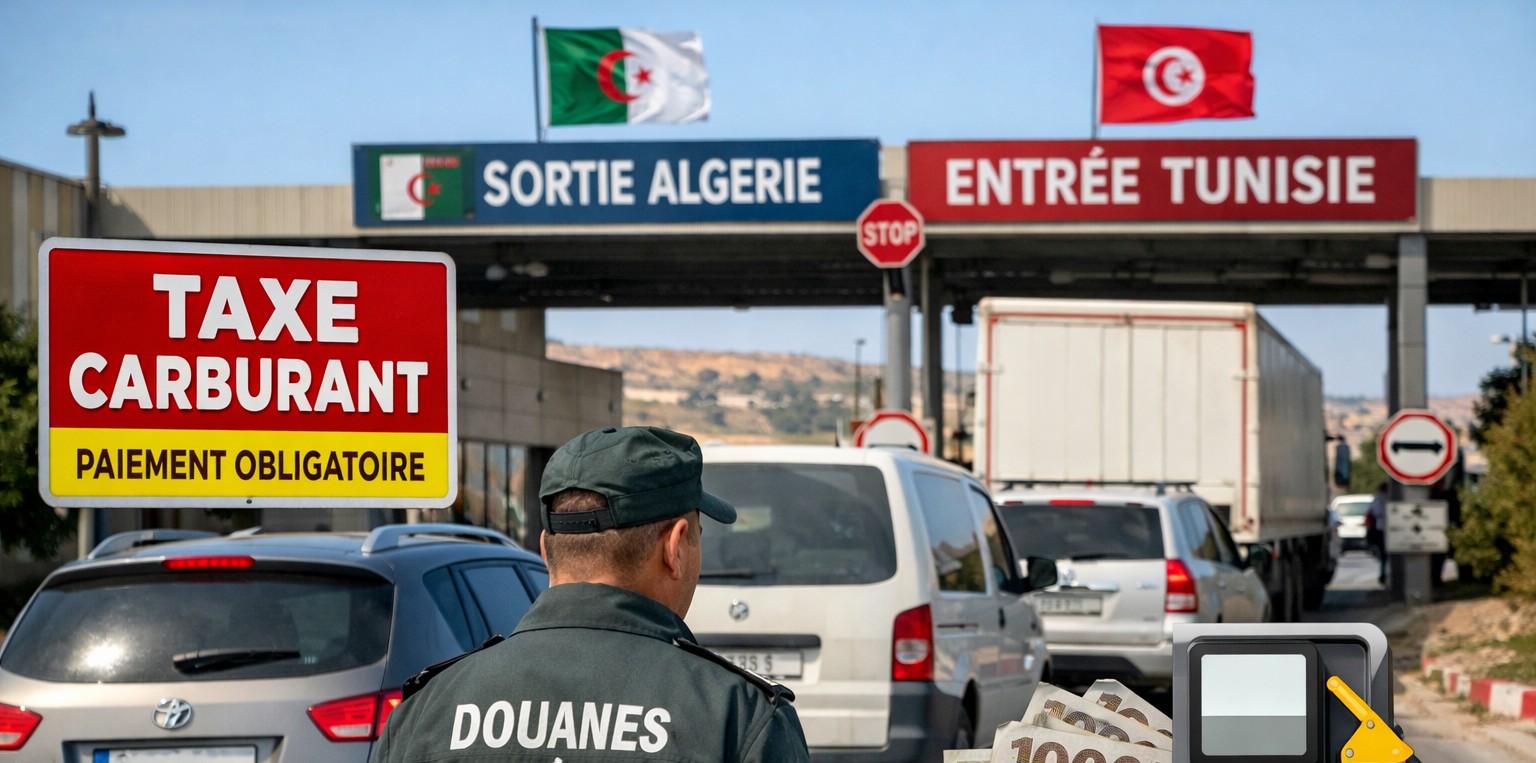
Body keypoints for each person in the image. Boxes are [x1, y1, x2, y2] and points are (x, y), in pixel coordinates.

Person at [372, 425, 811, 763]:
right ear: (676, 547)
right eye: (699, 534)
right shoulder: (737, 717)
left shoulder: (425, 711)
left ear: (546, 550)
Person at [1367, 481, 1389, 585]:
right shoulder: (1380, 500)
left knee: (1385, 556)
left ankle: (1385, 575)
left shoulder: (1378, 500)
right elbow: (1377, 513)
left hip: (1383, 530)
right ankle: (1384, 575)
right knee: (1384, 556)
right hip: (1381, 530)